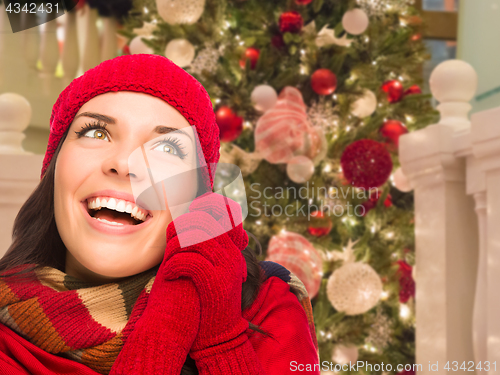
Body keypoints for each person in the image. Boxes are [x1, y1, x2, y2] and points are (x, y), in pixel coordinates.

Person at [0, 54, 320, 374]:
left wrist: (221, 341)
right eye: (96, 132)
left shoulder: (268, 309)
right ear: (54, 169)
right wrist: (164, 333)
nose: (124, 164)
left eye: (167, 148)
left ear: (197, 194)